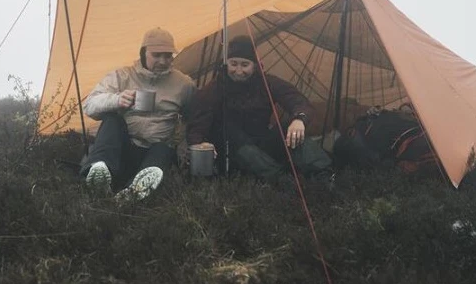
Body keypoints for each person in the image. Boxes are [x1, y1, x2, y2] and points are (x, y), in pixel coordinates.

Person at [186, 35, 332, 182]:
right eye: (233, 64)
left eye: (245, 65)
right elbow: (197, 126)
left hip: (263, 143)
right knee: (228, 130)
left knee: (291, 127)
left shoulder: (267, 83)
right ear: (226, 64)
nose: (238, 71)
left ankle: (324, 174)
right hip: (231, 152)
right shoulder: (213, 89)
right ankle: (280, 179)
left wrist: (299, 119)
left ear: (254, 65)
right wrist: (200, 142)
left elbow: (298, 101)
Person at [81, 27, 196, 200]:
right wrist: (116, 100)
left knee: (163, 149)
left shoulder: (184, 84)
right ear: (143, 53)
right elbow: (89, 106)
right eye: (156, 55)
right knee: (112, 121)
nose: (163, 61)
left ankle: (134, 191)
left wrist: (183, 149)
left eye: (168, 55)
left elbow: (192, 116)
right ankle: (99, 171)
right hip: (123, 148)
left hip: (156, 150)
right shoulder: (122, 76)